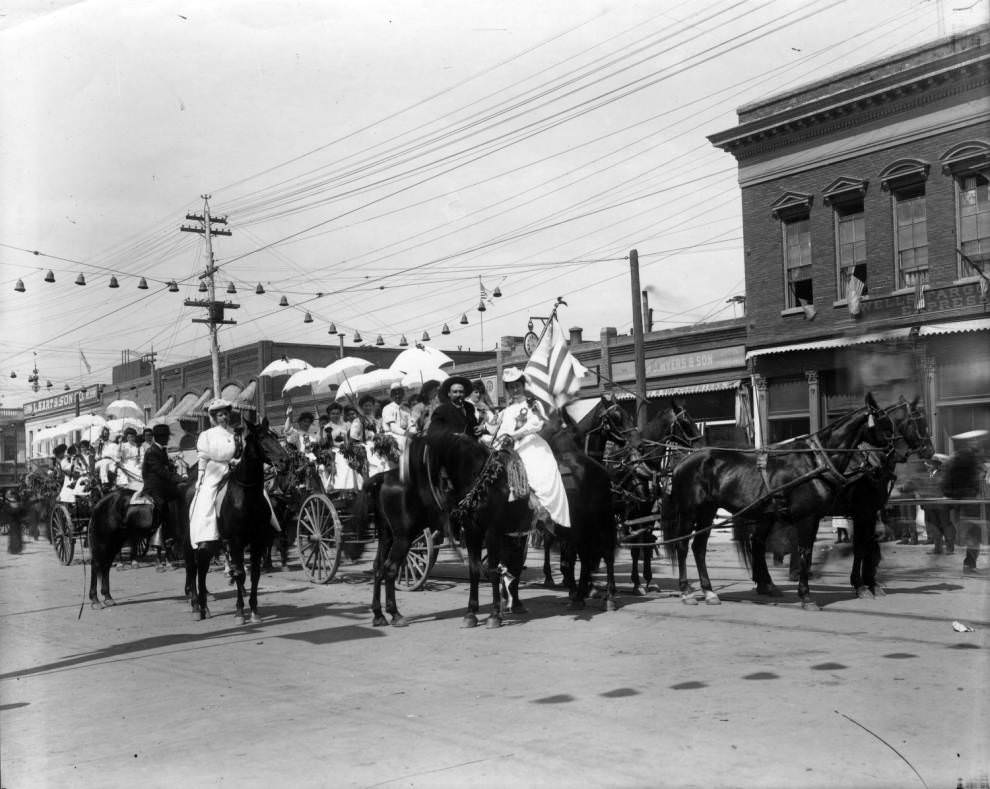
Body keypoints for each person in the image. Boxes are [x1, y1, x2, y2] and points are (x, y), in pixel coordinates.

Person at [494, 367, 570, 531]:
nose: (514, 389)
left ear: (522, 386)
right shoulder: (505, 412)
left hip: (529, 444)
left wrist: (514, 435)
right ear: (507, 389)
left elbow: (537, 423)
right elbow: (500, 431)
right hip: (508, 447)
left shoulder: (532, 404)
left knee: (535, 469)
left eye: (517, 385)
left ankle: (541, 510)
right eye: (511, 387)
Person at [188, 399, 239, 548]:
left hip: (234, 468)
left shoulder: (234, 433)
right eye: (221, 415)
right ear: (215, 418)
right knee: (207, 495)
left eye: (226, 414)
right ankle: (207, 534)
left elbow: (240, 451)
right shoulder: (207, 434)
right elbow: (203, 457)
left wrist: (237, 460)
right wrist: (200, 477)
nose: (224, 417)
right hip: (214, 469)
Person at [141, 423, 186, 571]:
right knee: (161, 510)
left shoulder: (161, 450)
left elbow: (166, 469)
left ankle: (176, 535)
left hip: (164, 486)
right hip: (154, 487)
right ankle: (159, 554)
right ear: (160, 437)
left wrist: (174, 468)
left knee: (181, 498)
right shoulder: (152, 451)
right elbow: (160, 471)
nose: (168, 439)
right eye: (166, 437)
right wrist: (178, 478)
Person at [320, 402, 359, 491]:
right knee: (344, 462)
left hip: (349, 447)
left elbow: (352, 437)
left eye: (337, 413)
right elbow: (326, 444)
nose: (335, 415)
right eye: (333, 414)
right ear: (329, 415)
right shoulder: (327, 427)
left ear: (341, 414)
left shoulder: (347, 424)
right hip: (335, 451)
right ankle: (345, 488)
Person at [381, 383, 416, 452]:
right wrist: (406, 433)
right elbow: (392, 427)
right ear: (391, 396)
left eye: (400, 393)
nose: (398, 396)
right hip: (392, 436)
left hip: (407, 435)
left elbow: (411, 424)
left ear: (403, 395)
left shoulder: (407, 409)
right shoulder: (387, 408)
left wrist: (413, 432)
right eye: (395, 394)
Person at [116, 427, 144, 492]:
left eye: (132, 437)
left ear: (135, 437)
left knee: (139, 472)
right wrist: (119, 445)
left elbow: (143, 456)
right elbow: (118, 455)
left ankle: (137, 488)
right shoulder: (123, 445)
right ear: (126, 437)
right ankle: (125, 487)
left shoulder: (139, 446)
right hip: (125, 463)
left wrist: (141, 462)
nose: (131, 438)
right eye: (129, 437)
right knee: (123, 473)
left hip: (136, 463)